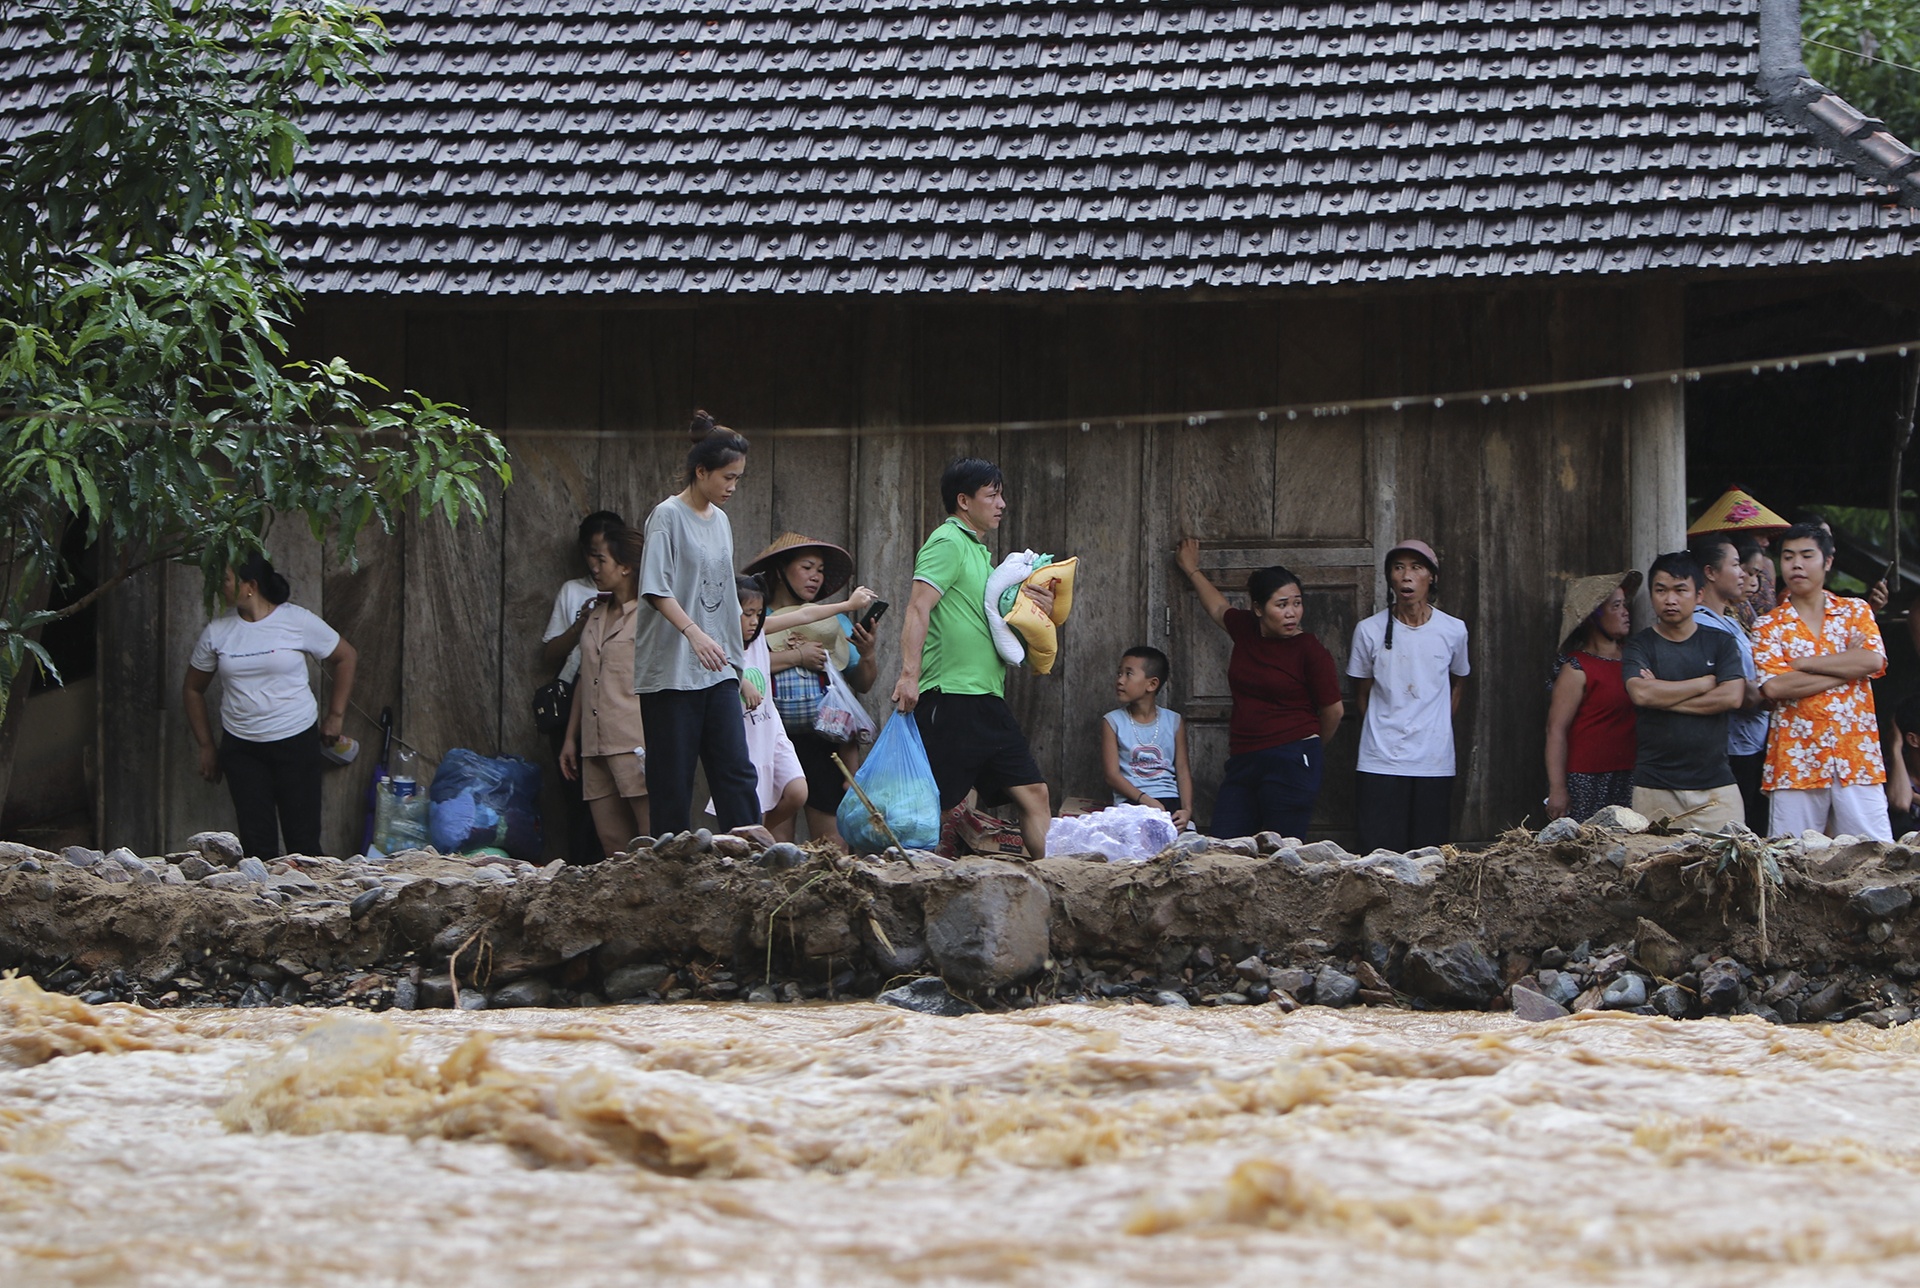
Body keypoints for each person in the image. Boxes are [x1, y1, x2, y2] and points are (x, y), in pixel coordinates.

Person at [890, 457, 1057, 860]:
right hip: (951, 696)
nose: (1001, 504)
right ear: (964, 501)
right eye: (992, 495)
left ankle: (1056, 881)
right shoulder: (947, 542)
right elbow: (918, 608)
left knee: (1034, 793)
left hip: (985, 698)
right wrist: (909, 675)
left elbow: (998, 622)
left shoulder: (980, 555)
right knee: (939, 807)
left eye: (1001, 495)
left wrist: (1039, 609)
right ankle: (911, 879)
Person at [632, 412, 761, 835]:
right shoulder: (667, 516)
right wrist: (693, 634)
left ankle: (753, 856)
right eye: (727, 477)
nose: (732, 487)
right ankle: (669, 862)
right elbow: (655, 588)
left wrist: (738, 665)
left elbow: (724, 596)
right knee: (672, 779)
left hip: (718, 670)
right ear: (701, 471)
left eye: (738, 478)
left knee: (736, 771)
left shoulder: (721, 521)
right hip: (671, 673)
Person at [182, 552, 358, 859]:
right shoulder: (217, 632)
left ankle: (308, 892)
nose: (221, 586)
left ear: (250, 585)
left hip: (296, 743)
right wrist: (207, 746)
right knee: (257, 848)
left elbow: (346, 657)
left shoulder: (296, 620)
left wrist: (336, 716)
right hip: (242, 751)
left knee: (303, 845)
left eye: (226, 579)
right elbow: (192, 689)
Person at [1174, 548, 1344, 838]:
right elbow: (1218, 608)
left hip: (1291, 761)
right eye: (1281, 605)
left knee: (1280, 850)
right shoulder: (1246, 630)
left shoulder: (1310, 651)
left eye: (1297, 603)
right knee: (1226, 844)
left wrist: (1308, 745)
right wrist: (1191, 569)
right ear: (1258, 609)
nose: (1292, 613)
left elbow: (1334, 710)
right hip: (1244, 761)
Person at [1754, 523, 1892, 840]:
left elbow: (1873, 660)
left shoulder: (1856, 610)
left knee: (1875, 854)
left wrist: (1805, 665)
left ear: (1827, 561)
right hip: (1796, 760)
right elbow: (1774, 687)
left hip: (1856, 757)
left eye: (1806, 556)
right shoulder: (1767, 625)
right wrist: (1846, 666)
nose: (1796, 565)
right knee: (1792, 858)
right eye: (1788, 557)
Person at [744, 532, 881, 844]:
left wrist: (868, 654)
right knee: (776, 842)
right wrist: (797, 657)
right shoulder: (755, 617)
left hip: (825, 739)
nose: (815, 577)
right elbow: (741, 663)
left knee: (832, 842)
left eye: (820, 570)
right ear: (780, 571)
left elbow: (862, 683)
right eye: (807, 567)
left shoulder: (834, 622)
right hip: (773, 737)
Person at [1347, 540, 1470, 853]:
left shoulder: (1453, 630)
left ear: (1432, 577)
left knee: (1429, 856)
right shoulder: (1369, 630)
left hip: (1433, 761)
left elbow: (1458, 682)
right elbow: (1362, 691)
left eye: (1416, 567)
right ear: (1390, 577)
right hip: (1380, 761)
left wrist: (1437, 725)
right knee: (1378, 857)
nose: (1406, 576)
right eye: (1398, 567)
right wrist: (1384, 728)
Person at [1620, 552, 1746, 829]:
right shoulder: (1640, 645)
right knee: (1651, 857)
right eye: (1661, 590)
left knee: (1730, 856)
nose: (1670, 599)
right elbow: (1641, 694)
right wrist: (1702, 684)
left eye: (1680, 590)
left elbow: (1732, 696)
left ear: (1699, 594)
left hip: (1716, 787)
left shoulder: (1721, 642)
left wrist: (1662, 696)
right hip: (1655, 786)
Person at [558, 522, 648, 856]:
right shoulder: (595, 614)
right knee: (611, 841)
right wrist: (571, 738)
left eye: (602, 560)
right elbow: (586, 676)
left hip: (634, 744)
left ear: (625, 567)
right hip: (593, 746)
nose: (594, 568)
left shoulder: (651, 616)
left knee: (651, 837)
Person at [541, 510, 625, 863]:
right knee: (578, 800)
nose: (595, 564)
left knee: (619, 798)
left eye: (603, 556)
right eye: (591, 554)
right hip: (576, 695)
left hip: (618, 706)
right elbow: (549, 655)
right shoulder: (573, 591)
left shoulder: (638, 599)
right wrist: (581, 624)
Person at [1691, 534, 1771, 833]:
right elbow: (1742, 692)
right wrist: (1778, 690)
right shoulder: (1704, 624)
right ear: (1710, 573)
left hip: (1751, 745)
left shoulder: (1730, 620)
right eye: (1736, 565)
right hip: (1732, 750)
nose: (1743, 574)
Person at [1543, 571, 1639, 821]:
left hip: (1630, 773)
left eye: (1624, 605)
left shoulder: (1635, 658)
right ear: (1593, 617)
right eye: (1616, 606)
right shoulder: (1577, 668)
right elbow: (1556, 730)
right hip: (1587, 778)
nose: (1625, 612)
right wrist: (1557, 788)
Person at [1099, 645, 1194, 828]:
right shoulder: (1113, 721)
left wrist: (1187, 810)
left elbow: (1183, 771)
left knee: (1183, 838)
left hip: (1169, 801)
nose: (1120, 680)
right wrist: (1145, 800)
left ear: (1152, 684)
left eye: (1128, 674)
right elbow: (1112, 776)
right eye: (1119, 673)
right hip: (1132, 801)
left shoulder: (1173, 721)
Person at [1883, 693, 1920, 841]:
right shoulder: (1885, 769)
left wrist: (1914, 797)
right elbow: (1900, 803)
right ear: (1913, 740)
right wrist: (1895, 749)